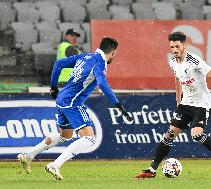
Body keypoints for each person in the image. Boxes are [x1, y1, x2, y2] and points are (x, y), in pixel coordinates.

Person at [17, 37, 132, 180]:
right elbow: (102, 84)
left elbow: (59, 64)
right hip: (73, 102)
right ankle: (55, 165)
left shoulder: (85, 56)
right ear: (113, 52)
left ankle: (28, 155)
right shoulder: (100, 62)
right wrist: (118, 105)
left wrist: (53, 87)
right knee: (89, 138)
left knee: (65, 135)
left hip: (62, 99)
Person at [135, 31, 211, 179]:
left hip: (202, 104)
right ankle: (151, 170)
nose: (174, 50)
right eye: (172, 47)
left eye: (177, 46)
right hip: (186, 104)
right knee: (169, 135)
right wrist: (178, 97)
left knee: (196, 134)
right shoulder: (172, 61)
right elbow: (177, 78)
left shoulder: (194, 60)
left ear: (184, 45)